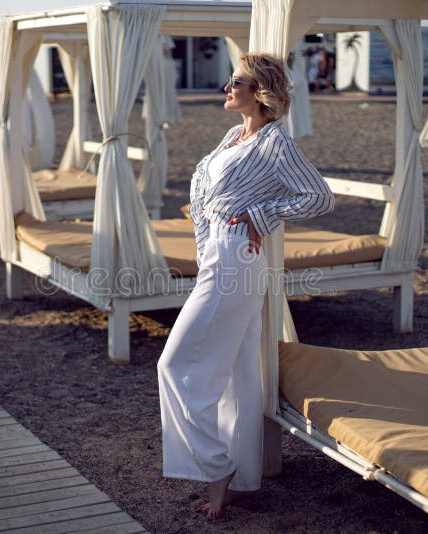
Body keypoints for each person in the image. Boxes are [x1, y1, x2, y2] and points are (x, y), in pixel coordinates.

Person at [157, 53, 334, 520]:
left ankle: (217, 470)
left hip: (237, 256)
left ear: (260, 92)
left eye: (235, 81)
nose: (226, 88)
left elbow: (318, 196)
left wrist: (259, 215)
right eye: (229, 81)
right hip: (218, 254)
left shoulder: (275, 141)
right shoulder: (233, 136)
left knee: (173, 364)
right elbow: (207, 194)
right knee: (237, 371)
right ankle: (240, 476)